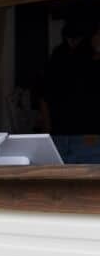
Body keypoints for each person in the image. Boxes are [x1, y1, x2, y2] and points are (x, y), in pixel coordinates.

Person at [41, 18, 100, 163]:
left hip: (64, 136)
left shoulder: (58, 57)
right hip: (83, 137)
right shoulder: (63, 59)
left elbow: (44, 98)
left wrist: (47, 133)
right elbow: (45, 97)